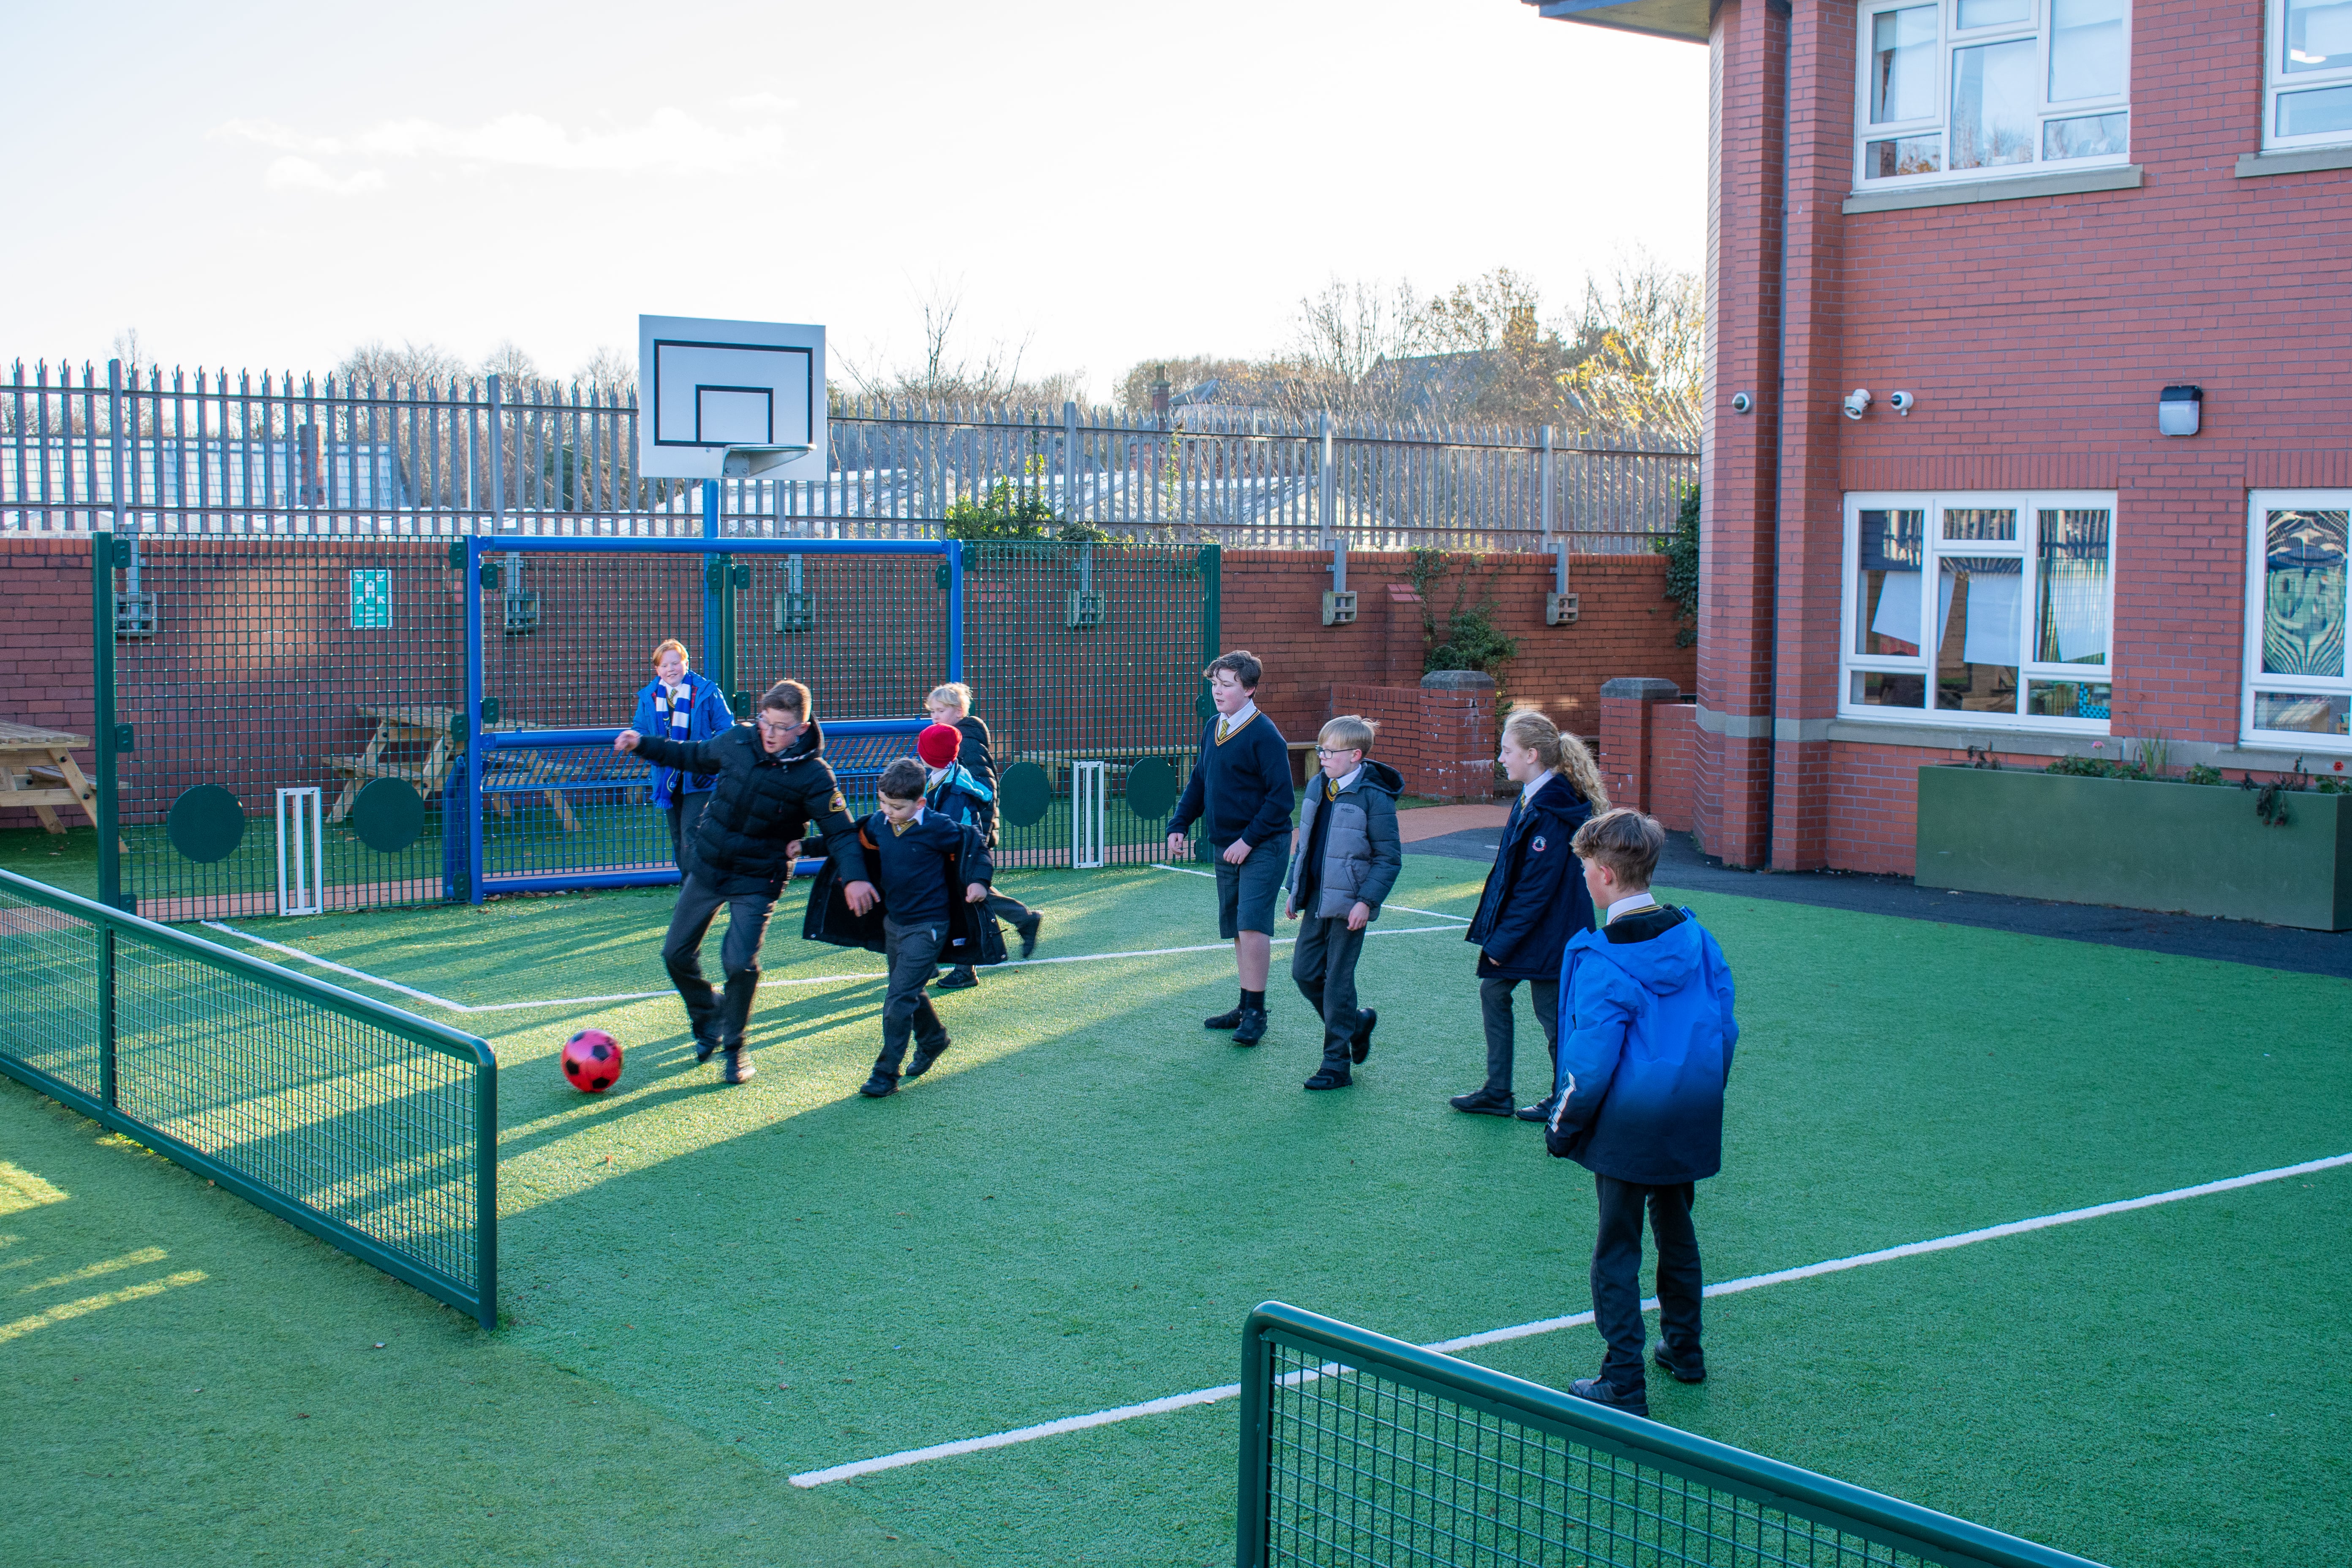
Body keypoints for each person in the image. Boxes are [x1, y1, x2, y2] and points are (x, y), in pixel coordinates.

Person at [1545, 808, 1738, 1420]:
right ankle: (1685, 1349)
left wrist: (1562, 1122)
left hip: (1627, 1124)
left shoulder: (1602, 959)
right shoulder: (1697, 936)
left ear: (1604, 874)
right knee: (1677, 1231)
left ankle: (1623, 1378)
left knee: (1616, 1249)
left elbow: (1590, 1064)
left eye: (1583, 870)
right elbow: (1725, 1027)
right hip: (1689, 1111)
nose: (1581, 879)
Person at [615, 679, 873, 1085]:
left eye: (781, 727)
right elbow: (693, 755)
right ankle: (708, 1018)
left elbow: (841, 832)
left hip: (759, 878)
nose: (769, 734)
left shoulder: (814, 776)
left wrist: (855, 879)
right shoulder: (737, 741)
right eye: (765, 723)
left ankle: (735, 1049)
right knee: (675, 954)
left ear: (802, 729)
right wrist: (642, 743)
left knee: (739, 963)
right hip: (710, 866)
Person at [803, 758, 996, 1099]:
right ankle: (934, 1039)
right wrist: (802, 848)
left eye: (897, 806)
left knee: (897, 1000)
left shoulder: (938, 827)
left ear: (920, 803)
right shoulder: (879, 823)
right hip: (895, 925)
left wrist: (980, 881)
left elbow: (976, 844)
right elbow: (845, 837)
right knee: (907, 991)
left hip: (930, 927)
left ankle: (884, 1074)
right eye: (883, 803)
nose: (888, 811)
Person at [1451, 711, 1605, 1120]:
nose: (1501, 758)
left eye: (1508, 751)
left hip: (1554, 932)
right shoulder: (1534, 798)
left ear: (1533, 755)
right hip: (1539, 929)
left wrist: (1501, 942)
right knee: (1496, 992)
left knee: (1553, 1015)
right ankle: (1499, 1091)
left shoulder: (1551, 811)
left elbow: (1536, 891)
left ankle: (1567, 1099)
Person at [1165, 651, 1293, 1046]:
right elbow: (1200, 782)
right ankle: (1245, 1004)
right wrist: (1179, 824)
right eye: (1215, 684)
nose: (1218, 692)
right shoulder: (1213, 727)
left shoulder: (1265, 734)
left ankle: (1256, 1014)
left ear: (1250, 689)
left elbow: (1281, 800)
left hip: (1263, 846)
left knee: (1253, 925)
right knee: (1239, 928)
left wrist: (1247, 841)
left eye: (1227, 685)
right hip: (1227, 846)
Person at [1281, 716, 1402, 1091]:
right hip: (1317, 897)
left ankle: (1336, 1066)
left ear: (1355, 755)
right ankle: (1356, 1024)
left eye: (1329, 752)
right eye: (1320, 750)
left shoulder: (1374, 797)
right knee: (1304, 973)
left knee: (1337, 982)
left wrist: (1366, 902)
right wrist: (1295, 889)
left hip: (1351, 904)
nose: (1322, 757)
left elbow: (1388, 858)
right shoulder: (1319, 786)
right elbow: (1307, 844)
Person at [915, 721, 1041, 989]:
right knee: (975, 902)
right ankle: (1024, 920)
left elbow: (958, 830)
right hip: (954, 858)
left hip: (958, 858)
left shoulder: (955, 790)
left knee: (961, 909)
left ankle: (955, 967)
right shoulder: (941, 776)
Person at [630, 640, 733, 874]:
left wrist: (709, 760)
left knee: (691, 833)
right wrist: (642, 744)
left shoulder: (707, 691)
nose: (671, 669)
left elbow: (726, 729)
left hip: (700, 777)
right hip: (666, 775)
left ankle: (695, 891)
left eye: (676, 663)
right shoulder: (649, 696)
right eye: (664, 665)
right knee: (678, 837)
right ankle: (688, 889)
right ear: (657, 669)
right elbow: (641, 729)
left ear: (686, 663)